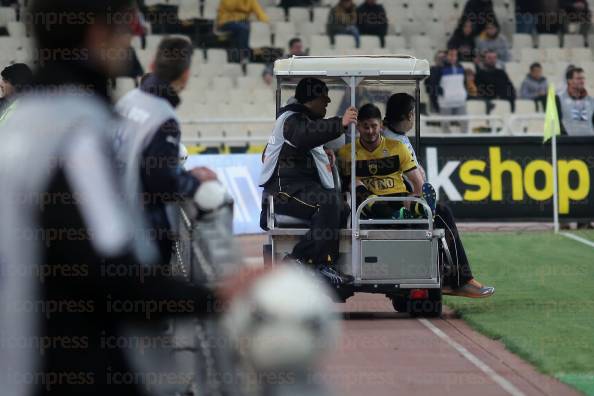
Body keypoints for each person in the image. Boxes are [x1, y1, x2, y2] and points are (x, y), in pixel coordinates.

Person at [0, 2, 257, 396]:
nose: (133, 35)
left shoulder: (22, 119)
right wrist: (217, 296)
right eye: (127, 25)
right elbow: (111, 274)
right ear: (97, 32)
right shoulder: (78, 126)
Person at [365, 98, 495, 298]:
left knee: (438, 213)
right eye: (413, 114)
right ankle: (460, 280)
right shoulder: (392, 141)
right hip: (399, 200)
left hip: (399, 198)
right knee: (442, 213)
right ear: (409, 116)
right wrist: (416, 195)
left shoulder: (394, 136)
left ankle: (449, 276)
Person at [115, 36, 220, 263]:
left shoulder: (127, 101)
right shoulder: (164, 117)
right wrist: (195, 182)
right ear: (186, 75)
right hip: (141, 228)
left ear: (152, 65)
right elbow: (162, 181)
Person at [260, 77, 358, 285]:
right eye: (324, 96)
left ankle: (322, 263)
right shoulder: (291, 119)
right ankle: (305, 261)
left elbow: (305, 140)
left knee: (341, 206)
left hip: (297, 187)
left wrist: (322, 155)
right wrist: (339, 122)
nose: (329, 101)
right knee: (329, 201)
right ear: (311, 99)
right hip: (282, 191)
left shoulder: (299, 120)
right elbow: (305, 135)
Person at [425, 48, 468, 133]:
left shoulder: (460, 67)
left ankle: (464, 142)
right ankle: (448, 144)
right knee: (445, 126)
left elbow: (464, 83)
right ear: (446, 56)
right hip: (445, 103)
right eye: (451, 55)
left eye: (455, 55)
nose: (453, 57)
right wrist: (437, 101)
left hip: (460, 101)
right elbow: (432, 87)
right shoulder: (438, 69)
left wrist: (464, 94)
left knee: (465, 123)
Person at [555, 67, 594, 135]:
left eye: (583, 78)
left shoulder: (591, 100)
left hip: (589, 142)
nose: (582, 81)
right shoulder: (559, 98)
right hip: (569, 142)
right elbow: (556, 123)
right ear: (569, 81)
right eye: (578, 79)